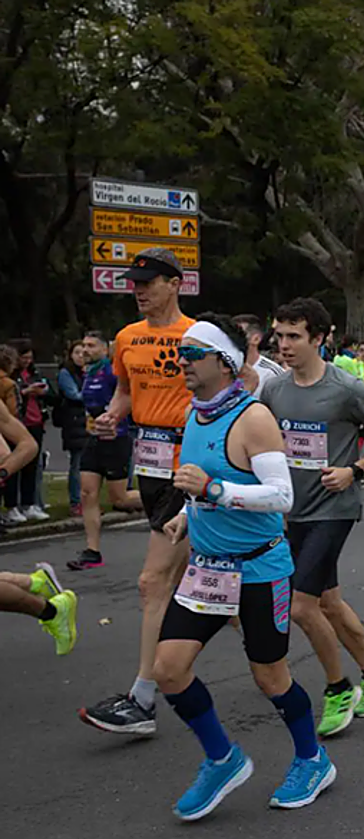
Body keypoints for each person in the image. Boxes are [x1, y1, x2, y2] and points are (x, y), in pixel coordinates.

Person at [153, 314, 334, 820]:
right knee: (168, 670)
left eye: (191, 354)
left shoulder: (252, 418)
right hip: (208, 571)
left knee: (271, 678)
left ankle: (312, 759)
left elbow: (281, 496)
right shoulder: (197, 414)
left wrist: (213, 492)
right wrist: (188, 516)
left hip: (258, 570)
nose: (180, 362)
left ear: (224, 362)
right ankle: (222, 758)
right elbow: (204, 481)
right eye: (180, 354)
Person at [263, 298, 364, 737]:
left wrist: (355, 470)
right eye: (279, 336)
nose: (283, 345)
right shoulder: (273, 390)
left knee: (301, 606)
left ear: (319, 339)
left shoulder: (346, 388)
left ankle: (339, 686)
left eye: (294, 337)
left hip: (334, 507)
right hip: (292, 511)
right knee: (328, 602)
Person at [79, 248, 197, 735]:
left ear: (176, 283)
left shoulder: (197, 336)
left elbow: (226, 393)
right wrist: (113, 414)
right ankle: (271, 652)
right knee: (203, 577)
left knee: (153, 582)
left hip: (186, 469)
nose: (140, 290)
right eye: (135, 283)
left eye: (149, 282)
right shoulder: (127, 338)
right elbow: (126, 391)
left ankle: (143, 699)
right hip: (147, 464)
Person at [69, 331, 143, 570]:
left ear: (105, 349)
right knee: (87, 493)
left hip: (116, 438)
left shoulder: (113, 372)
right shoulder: (88, 373)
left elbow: (130, 398)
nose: (85, 350)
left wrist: (115, 420)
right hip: (94, 439)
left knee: (119, 498)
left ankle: (165, 496)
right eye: (83, 346)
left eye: (91, 346)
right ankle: (92, 551)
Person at [5, 338, 51, 522]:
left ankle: (29, 503)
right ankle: (11, 506)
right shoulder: (9, 379)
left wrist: (43, 391)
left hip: (35, 421)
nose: (27, 361)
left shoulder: (33, 372)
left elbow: (52, 393)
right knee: (14, 466)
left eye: (30, 358)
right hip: (17, 424)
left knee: (33, 465)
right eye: (24, 357)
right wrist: (24, 392)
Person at [56, 340, 89, 516]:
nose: (81, 356)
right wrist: (92, 391)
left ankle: (88, 501)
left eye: (84, 353)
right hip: (74, 422)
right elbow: (74, 395)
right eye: (77, 353)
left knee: (88, 465)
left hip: (87, 422)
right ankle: (75, 501)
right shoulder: (66, 373)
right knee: (77, 464)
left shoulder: (88, 372)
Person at [233, 314, 285, 397]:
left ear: (256, 339)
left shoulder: (272, 374)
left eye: (240, 335)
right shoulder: (225, 370)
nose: (233, 339)